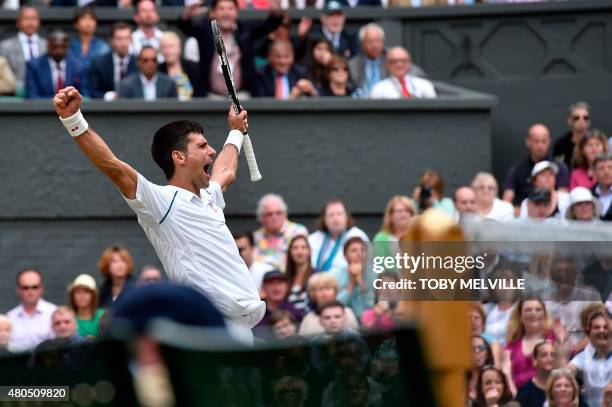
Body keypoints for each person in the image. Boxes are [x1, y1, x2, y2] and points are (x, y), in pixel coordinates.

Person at [53, 85, 264, 343]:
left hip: (241, 331)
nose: (211, 151)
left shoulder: (210, 196)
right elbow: (114, 168)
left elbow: (227, 170)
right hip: (211, 331)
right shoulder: (162, 202)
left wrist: (235, 131)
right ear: (179, 157)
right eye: (202, 146)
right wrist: (72, 119)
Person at [177, 0, 284, 97]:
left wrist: (276, 11)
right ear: (213, 12)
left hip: (242, 95)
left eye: (230, 8)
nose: (226, 13)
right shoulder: (205, 30)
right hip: (211, 96)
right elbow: (184, 26)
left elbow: (269, 25)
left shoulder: (245, 29)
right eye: (221, 9)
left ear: (236, 12)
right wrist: (187, 14)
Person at [503, 124, 570, 211]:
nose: (540, 146)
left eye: (544, 141)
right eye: (536, 141)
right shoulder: (515, 170)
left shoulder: (560, 168)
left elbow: (563, 201)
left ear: (549, 141)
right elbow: (506, 203)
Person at [502, 298, 557, 392]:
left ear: (544, 314)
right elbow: (506, 371)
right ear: (520, 316)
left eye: (538, 309)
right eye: (528, 310)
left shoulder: (555, 336)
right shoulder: (512, 343)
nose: (533, 313)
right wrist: (514, 394)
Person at [308, 198, 369, 274]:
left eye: (339, 214)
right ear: (324, 219)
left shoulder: (358, 235)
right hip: (316, 282)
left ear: (346, 216)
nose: (335, 219)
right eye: (331, 215)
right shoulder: (313, 239)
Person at [253, 193, 308, 271]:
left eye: (278, 213)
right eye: (269, 214)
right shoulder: (256, 237)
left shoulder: (297, 231)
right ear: (261, 217)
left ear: (285, 214)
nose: (274, 217)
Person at [26, 30, 88, 99]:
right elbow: (32, 96)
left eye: (63, 47)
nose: (59, 51)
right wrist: (58, 102)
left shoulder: (79, 66)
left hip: (71, 108)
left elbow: (84, 95)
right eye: (55, 47)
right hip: (43, 108)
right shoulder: (34, 66)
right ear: (48, 46)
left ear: (68, 47)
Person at [0, 6, 47, 96]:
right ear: (18, 22)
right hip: (14, 93)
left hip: (43, 93)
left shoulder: (47, 45)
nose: (30, 22)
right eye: (26, 18)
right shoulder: (5, 46)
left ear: (39, 22)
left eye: (34, 18)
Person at [568, 311, 611, 407]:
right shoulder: (582, 357)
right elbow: (564, 373)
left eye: (605, 327)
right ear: (589, 333)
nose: (601, 330)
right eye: (596, 327)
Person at [6, 268, 57, 350]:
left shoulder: (54, 313)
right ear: (18, 290)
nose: (30, 291)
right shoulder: (10, 318)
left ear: (41, 289)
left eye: (35, 287)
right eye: (25, 288)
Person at [89, 22, 138, 100]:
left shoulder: (139, 63)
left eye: (127, 38)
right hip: (106, 108)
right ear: (111, 40)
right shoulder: (99, 63)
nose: (123, 43)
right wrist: (109, 96)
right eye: (119, 39)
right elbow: (93, 92)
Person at [370, 46, 436, 99]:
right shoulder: (379, 89)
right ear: (387, 64)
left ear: (409, 63)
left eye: (403, 61)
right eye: (394, 61)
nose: (399, 65)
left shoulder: (424, 85)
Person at [331, 237, 373, 319]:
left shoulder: (376, 274)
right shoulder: (335, 275)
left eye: (362, 250)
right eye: (354, 250)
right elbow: (335, 306)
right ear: (345, 256)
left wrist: (361, 284)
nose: (359, 254)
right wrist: (352, 283)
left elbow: (372, 306)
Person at [254, 270, 304, 340]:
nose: (276, 288)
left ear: (287, 287)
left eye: (280, 283)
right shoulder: (254, 312)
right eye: (271, 283)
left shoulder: (296, 313)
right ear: (263, 287)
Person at [158, 31, 205, 100]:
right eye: (164, 47)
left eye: (171, 46)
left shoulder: (192, 68)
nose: (167, 51)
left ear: (179, 48)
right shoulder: (158, 70)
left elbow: (201, 94)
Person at [69, 7, 110, 80]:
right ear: (76, 24)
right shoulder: (69, 47)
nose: (88, 22)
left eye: (92, 18)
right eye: (83, 18)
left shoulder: (103, 47)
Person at [372, 195, 416, 263]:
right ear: (391, 215)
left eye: (407, 211)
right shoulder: (380, 239)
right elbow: (381, 265)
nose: (404, 214)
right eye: (399, 211)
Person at [516, 340, 555, 407]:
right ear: (534, 360)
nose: (549, 358)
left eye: (552, 355)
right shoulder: (525, 391)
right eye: (544, 355)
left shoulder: (564, 387)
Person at [554, 102, 591, 169]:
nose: (581, 121)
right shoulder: (561, 144)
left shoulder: (597, 143)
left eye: (585, 118)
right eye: (576, 118)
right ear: (569, 120)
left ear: (589, 121)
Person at [68, 274, 105, 339]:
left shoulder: (103, 316)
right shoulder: (67, 318)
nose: (82, 296)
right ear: (72, 296)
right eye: (78, 292)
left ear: (93, 296)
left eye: (86, 292)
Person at [285, 235, 315, 313]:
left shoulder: (317, 275)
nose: (299, 251)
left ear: (309, 251)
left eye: (303, 247)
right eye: (295, 248)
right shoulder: (284, 278)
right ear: (290, 252)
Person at [466, 335, 495, 402]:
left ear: (487, 353)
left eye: (481, 348)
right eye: (472, 349)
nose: (477, 352)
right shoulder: (461, 378)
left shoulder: (494, 376)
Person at [591, 152, 612, 221]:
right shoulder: (588, 195)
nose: (606, 171)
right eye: (601, 168)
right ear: (594, 172)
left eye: (610, 167)